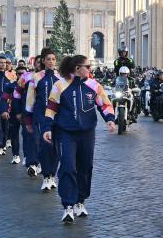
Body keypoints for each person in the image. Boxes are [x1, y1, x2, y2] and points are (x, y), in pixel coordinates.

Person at [42, 55, 116, 223]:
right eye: (87, 66)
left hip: (87, 134)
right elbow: (51, 107)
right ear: (77, 68)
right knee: (68, 167)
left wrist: (110, 119)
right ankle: (68, 205)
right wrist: (47, 128)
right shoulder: (59, 85)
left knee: (85, 167)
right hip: (65, 133)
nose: (90, 69)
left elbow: (104, 104)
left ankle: (80, 202)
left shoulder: (94, 85)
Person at [26, 49, 61, 191]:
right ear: (43, 61)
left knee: (56, 147)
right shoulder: (36, 77)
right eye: (48, 59)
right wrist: (28, 120)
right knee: (45, 145)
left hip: (58, 118)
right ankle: (46, 176)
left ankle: (53, 175)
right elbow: (30, 99)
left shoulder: (61, 77)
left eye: (53, 59)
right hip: (41, 116)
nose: (51, 62)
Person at [14, 55, 42, 176]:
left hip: (46, 113)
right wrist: (18, 111)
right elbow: (17, 93)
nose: (40, 64)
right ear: (34, 64)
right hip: (29, 111)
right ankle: (32, 162)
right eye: (38, 62)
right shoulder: (27, 76)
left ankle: (40, 161)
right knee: (30, 137)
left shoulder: (54, 77)